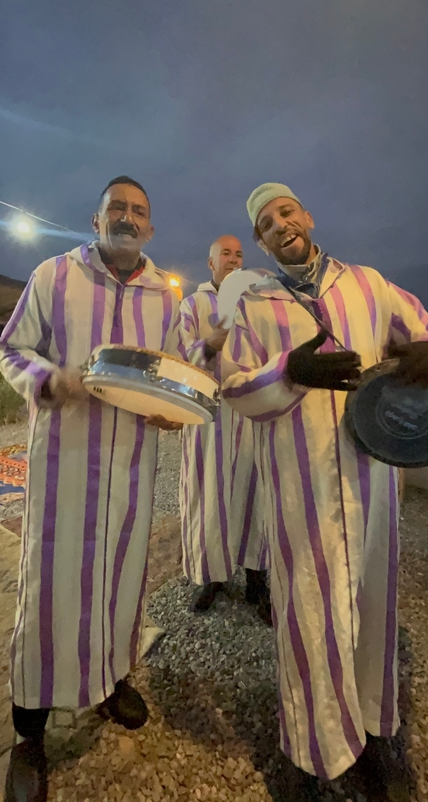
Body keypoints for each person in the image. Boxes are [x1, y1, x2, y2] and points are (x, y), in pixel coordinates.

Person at [221, 183, 428, 801]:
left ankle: (373, 737)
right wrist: (288, 372)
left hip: (373, 481)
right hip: (299, 491)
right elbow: (236, 390)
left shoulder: (368, 284)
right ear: (263, 242)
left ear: (308, 216)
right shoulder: (255, 306)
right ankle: (313, 749)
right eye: (268, 223)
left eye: (287, 212)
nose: (281, 225)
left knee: (372, 610)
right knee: (308, 619)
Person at [0, 176, 182, 802]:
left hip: (131, 467)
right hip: (65, 469)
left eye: (139, 211)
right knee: (49, 592)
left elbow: (178, 371)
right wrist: (50, 381)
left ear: (150, 228)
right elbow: (11, 348)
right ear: (96, 219)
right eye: (117, 209)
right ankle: (29, 733)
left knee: (121, 579)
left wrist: (175, 409)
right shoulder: (54, 276)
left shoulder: (165, 298)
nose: (128, 218)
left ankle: (108, 683)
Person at [179, 236, 270, 623]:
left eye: (239, 254)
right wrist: (211, 344)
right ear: (210, 263)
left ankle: (256, 577)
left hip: (250, 416)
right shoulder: (193, 305)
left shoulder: (257, 305)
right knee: (209, 495)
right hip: (209, 418)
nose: (233, 260)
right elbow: (181, 354)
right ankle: (212, 577)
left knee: (256, 494)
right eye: (225, 255)